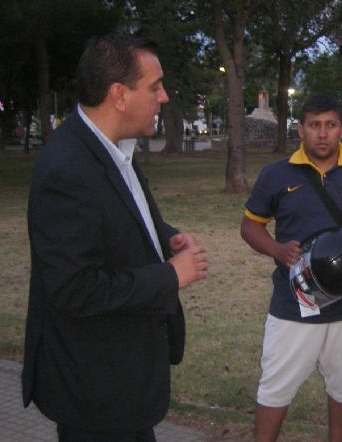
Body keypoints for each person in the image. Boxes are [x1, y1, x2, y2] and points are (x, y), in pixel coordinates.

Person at [22, 34, 208, 441]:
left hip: (126, 387)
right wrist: (171, 276)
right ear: (119, 95)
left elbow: (123, 216)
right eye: (155, 87)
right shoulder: (67, 171)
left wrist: (167, 238)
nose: (164, 97)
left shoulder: (113, 148)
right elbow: (74, 289)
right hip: (95, 393)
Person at [240, 93, 342, 442]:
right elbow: (250, 226)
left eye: (330, 125)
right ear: (301, 130)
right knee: (274, 387)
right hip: (293, 304)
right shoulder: (276, 174)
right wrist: (277, 249)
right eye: (314, 125)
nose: (322, 134)